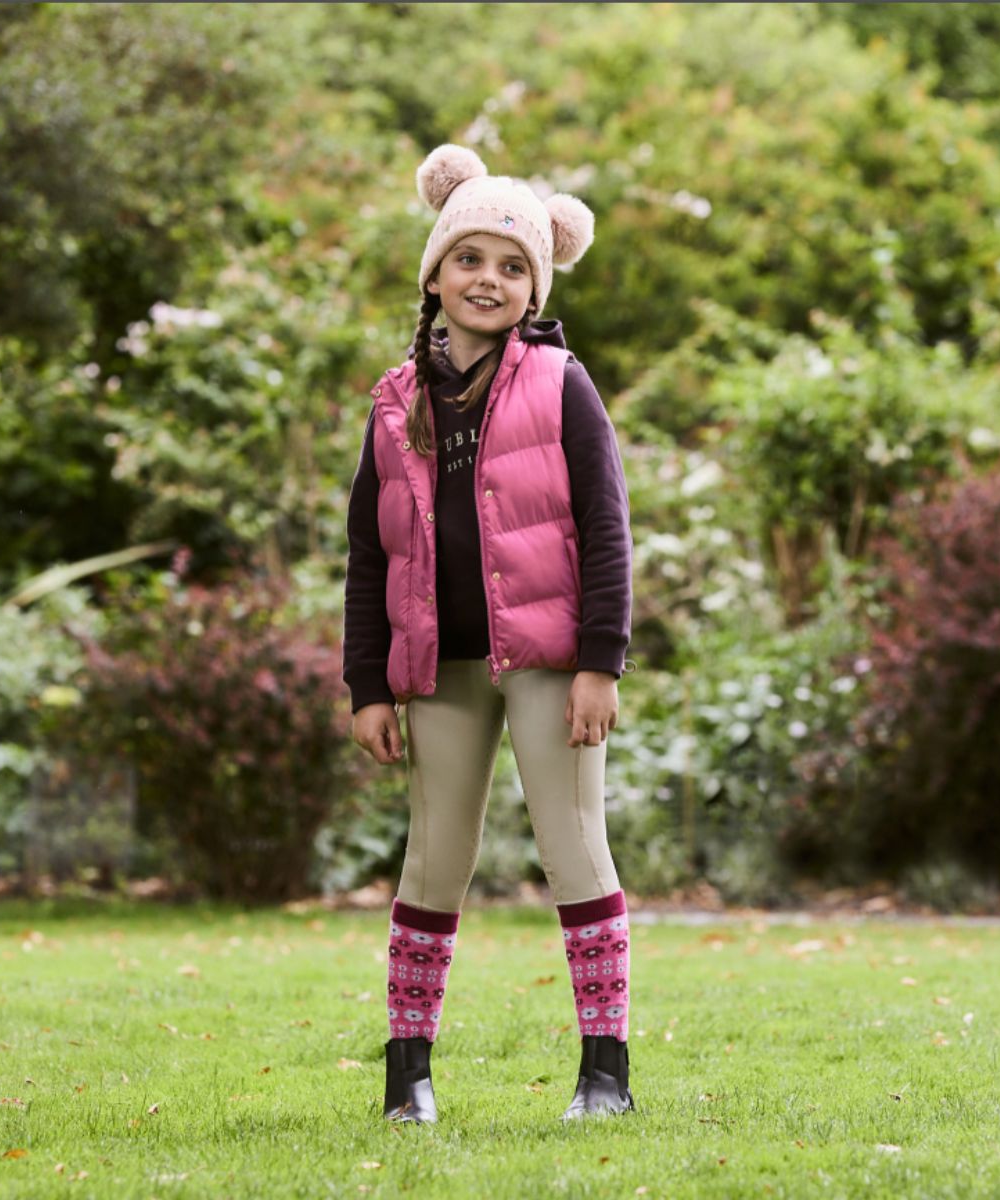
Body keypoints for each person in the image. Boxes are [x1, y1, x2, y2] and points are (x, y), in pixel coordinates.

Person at [343, 143, 637, 1125]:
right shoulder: (394, 406)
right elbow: (366, 555)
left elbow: (605, 528)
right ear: (435, 272)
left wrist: (601, 663)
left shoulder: (561, 385)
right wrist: (367, 687)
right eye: (470, 258)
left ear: (534, 285)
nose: (490, 280)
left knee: (574, 848)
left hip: (552, 661)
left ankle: (605, 1078)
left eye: (513, 267)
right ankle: (407, 1079)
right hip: (439, 669)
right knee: (433, 857)